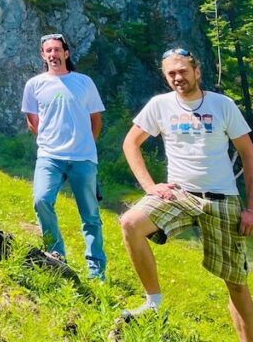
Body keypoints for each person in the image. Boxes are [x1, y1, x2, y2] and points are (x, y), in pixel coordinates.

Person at [118, 48, 253, 337]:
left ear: (197, 72)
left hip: (222, 198)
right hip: (179, 194)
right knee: (130, 223)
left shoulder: (222, 105)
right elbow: (131, 143)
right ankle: (153, 303)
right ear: (165, 77)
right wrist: (149, 186)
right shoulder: (160, 105)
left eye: (183, 71)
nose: (178, 77)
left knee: (236, 282)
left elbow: (247, 153)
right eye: (171, 73)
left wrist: (251, 209)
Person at [22, 33, 106, 280]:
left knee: (90, 215)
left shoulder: (84, 82)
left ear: (66, 53)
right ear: (43, 55)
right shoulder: (35, 85)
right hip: (49, 156)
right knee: (41, 200)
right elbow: (32, 121)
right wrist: (51, 139)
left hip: (83, 158)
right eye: (48, 51)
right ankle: (56, 255)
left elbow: (95, 120)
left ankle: (96, 270)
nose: (53, 54)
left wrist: (84, 144)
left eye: (57, 50)